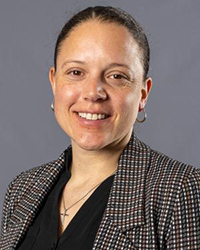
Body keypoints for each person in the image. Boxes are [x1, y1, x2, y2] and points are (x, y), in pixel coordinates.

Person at [0, 5, 200, 250]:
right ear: (54, 82)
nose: (93, 93)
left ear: (143, 94)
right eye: (76, 72)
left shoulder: (181, 190)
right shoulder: (22, 189)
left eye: (117, 76)